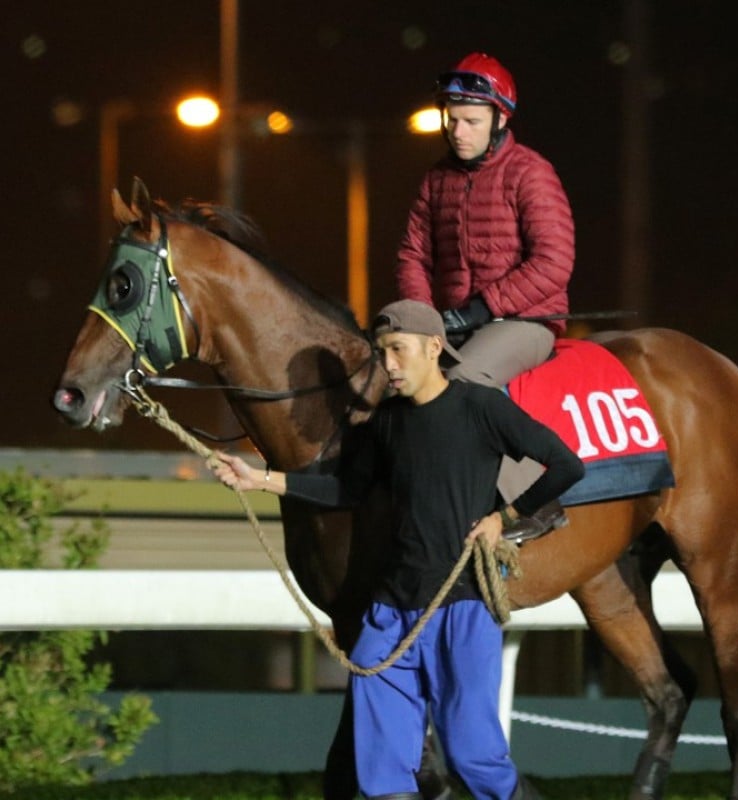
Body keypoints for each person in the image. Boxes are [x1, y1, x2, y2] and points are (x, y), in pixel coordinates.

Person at [209, 299, 584, 800]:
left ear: (433, 348)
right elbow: (347, 490)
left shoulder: (481, 408)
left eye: (398, 351)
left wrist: (504, 517)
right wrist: (261, 480)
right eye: (383, 352)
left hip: (462, 610)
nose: (388, 365)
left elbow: (565, 465)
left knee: (476, 761)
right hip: (389, 618)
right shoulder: (385, 423)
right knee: (383, 776)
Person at [395, 51, 575, 389]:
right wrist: (422, 317)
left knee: (463, 380)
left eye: (472, 122)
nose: (458, 132)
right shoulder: (436, 179)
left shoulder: (531, 173)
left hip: (527, 323)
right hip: (457, 324)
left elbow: (553, 262)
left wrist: (483, 307)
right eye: (452, 120)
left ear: (500, 120)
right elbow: (413, 257)